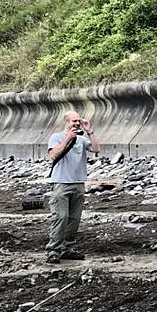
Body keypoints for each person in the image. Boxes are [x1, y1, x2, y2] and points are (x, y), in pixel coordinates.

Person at [45, 111, 101, 264]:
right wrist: (68, 138)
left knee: (74, 219)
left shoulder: (82, 140)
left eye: (78, 121)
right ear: (67, 122)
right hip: (61, 183)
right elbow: (53, 155)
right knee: (60, 217)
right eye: (74, 121)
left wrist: (90, 131)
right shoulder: (56, 137)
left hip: (78, 183)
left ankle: (66, 249)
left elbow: (96, 149)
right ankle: (53, 251)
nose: (77, 123)